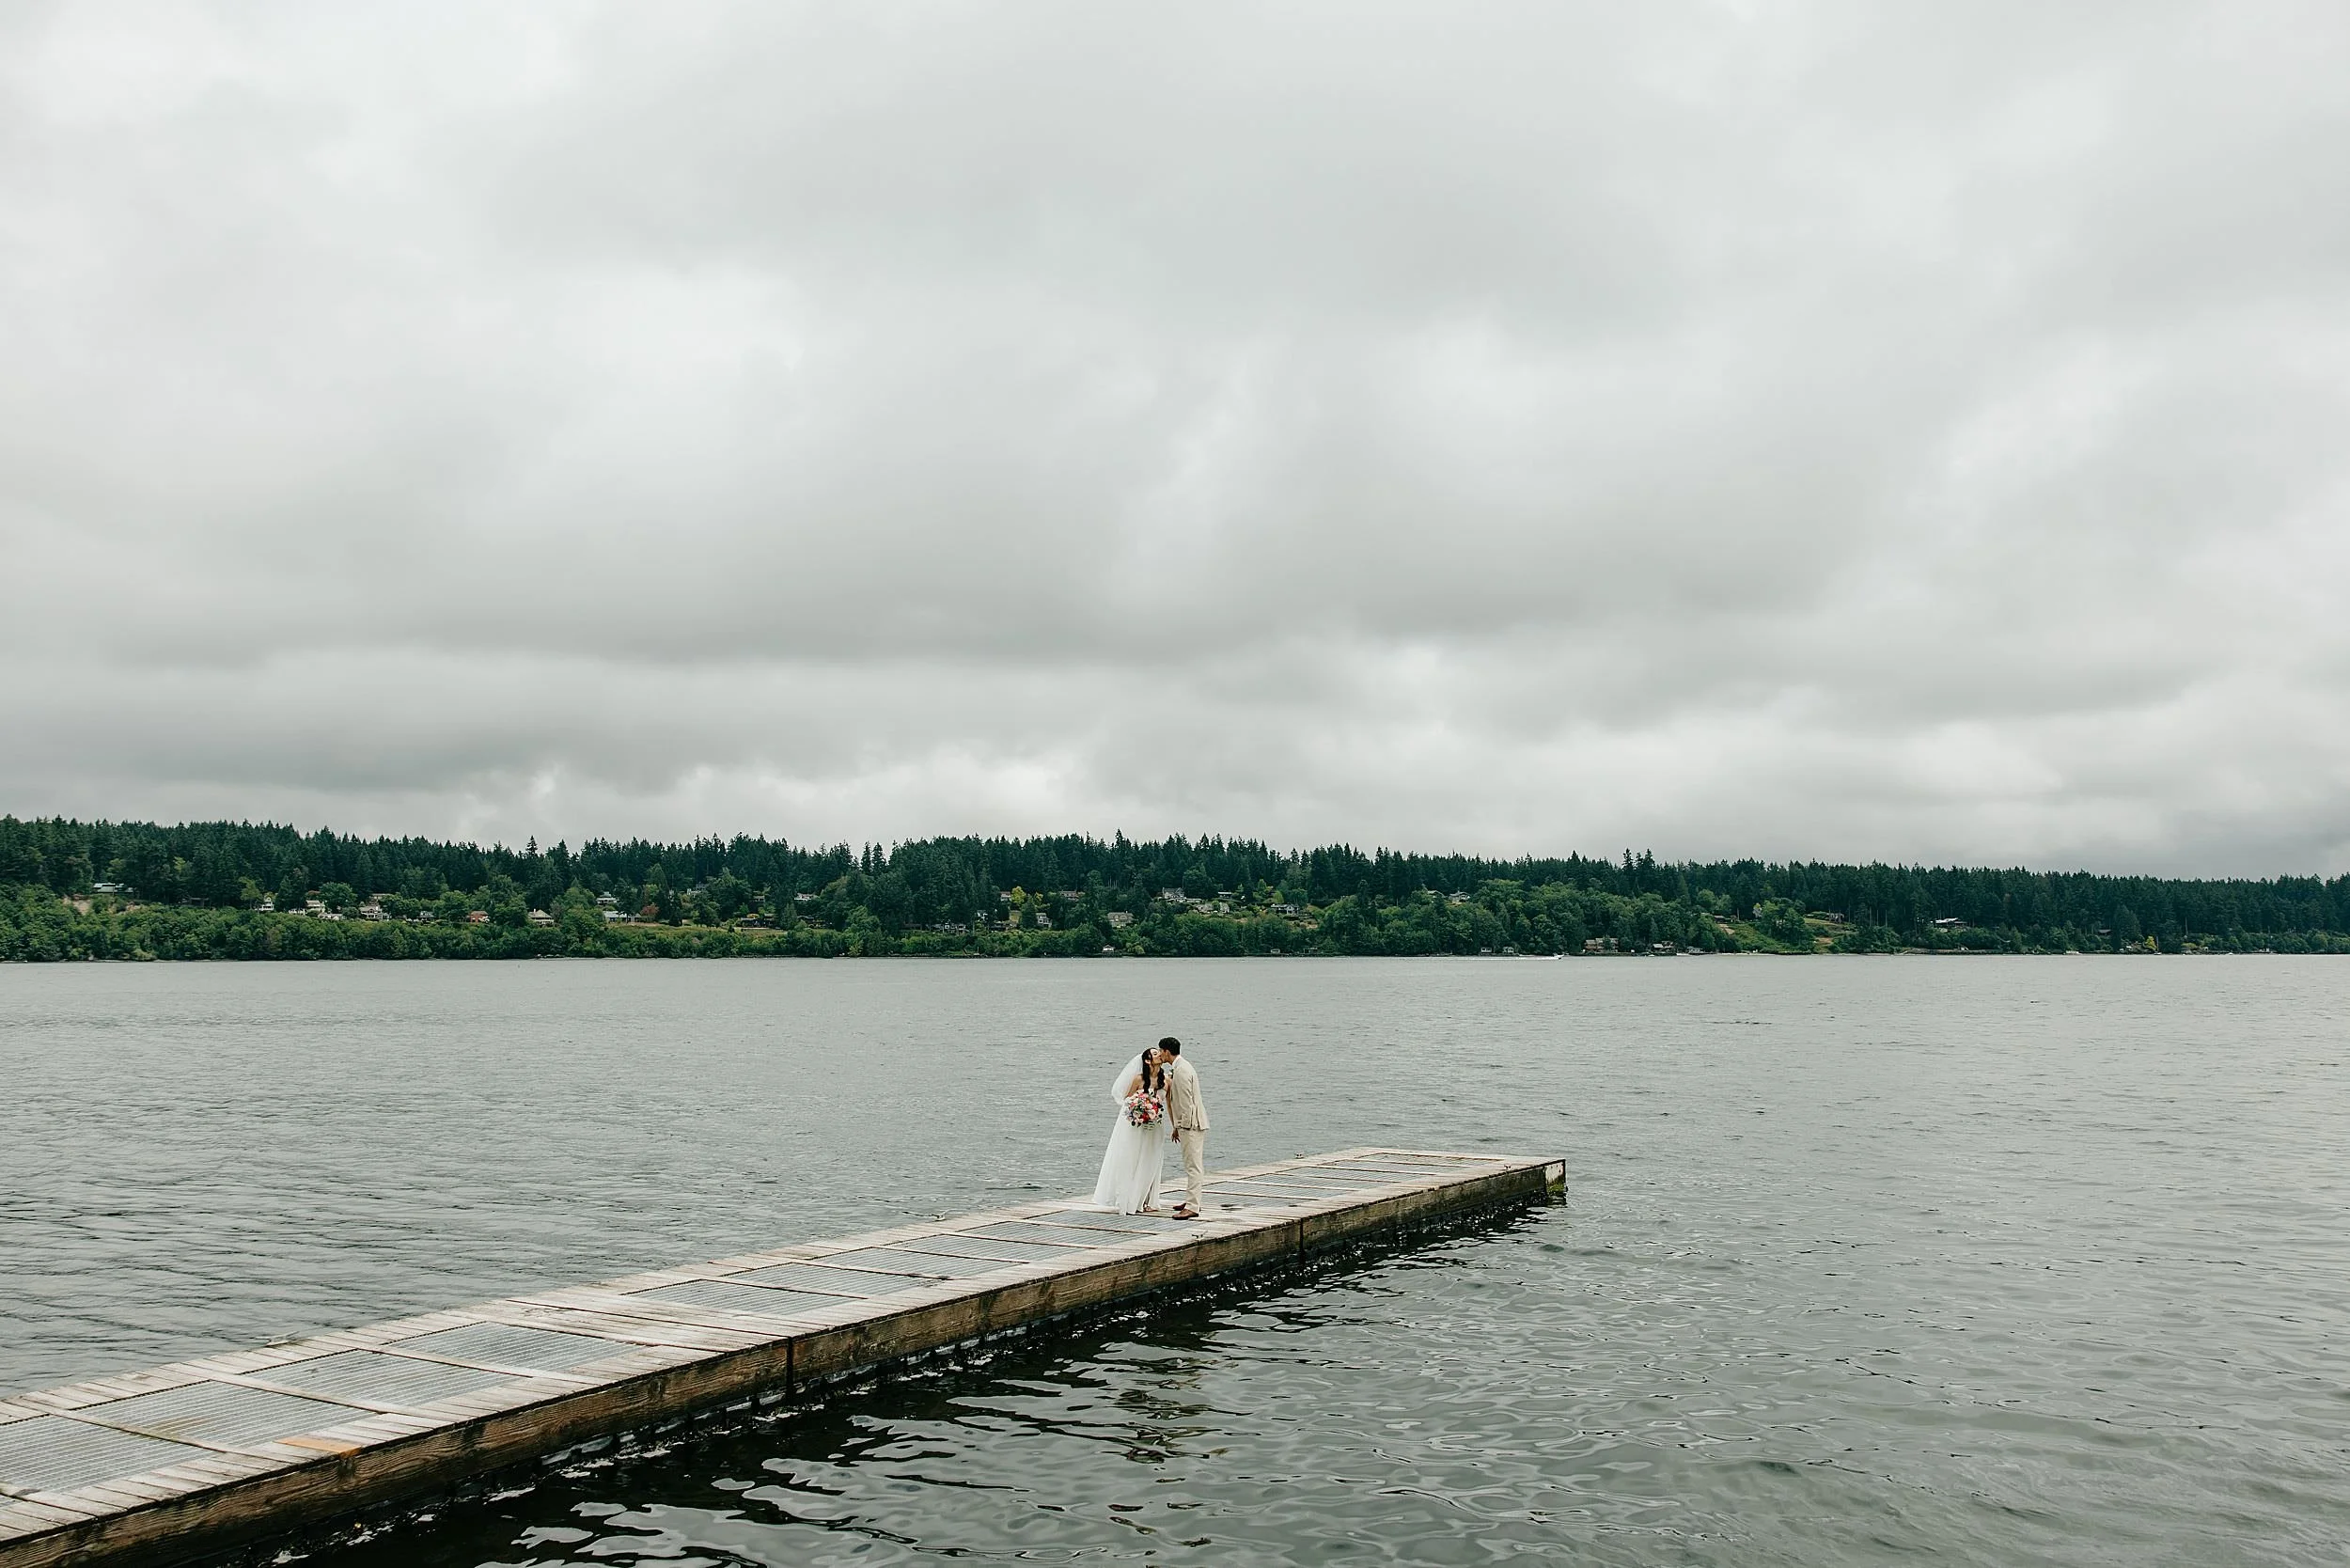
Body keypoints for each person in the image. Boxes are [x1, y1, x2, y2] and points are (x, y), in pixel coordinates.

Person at [1091, 1043, 1168, 1215]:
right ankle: (1132, 1199)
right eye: (1155, 1054)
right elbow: (1127, 1100)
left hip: (1156, 1125)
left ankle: (1148, 1200)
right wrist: (1140, 1107)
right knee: (1135, 1159)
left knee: (1152, 1160)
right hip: (1138, 1125)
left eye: (1159, 1052)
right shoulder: (1138, 1080)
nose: (1159, 1055)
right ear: (1148, 1061)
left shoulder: (1167, 1081)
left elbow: (1169, 1103)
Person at [1159, 1036, 1209, 1219]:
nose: (1160, 1055)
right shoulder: (1181, 1067)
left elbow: (1187, 1103)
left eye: (1161, 1051)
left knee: (1193, 1165)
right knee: (1191, 1164)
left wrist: (1181, 1126)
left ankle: (1193, 1206)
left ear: (1166, 1051)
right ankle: (1191, 1200)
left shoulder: (1181, 1071)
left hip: (1191, 1124)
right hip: (1190, 1123)